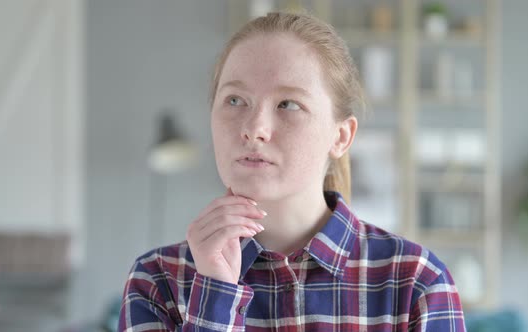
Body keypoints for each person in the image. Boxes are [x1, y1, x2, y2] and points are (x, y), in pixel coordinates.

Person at [119, 11, 465, 332]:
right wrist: (215, 293)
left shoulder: (417, 283)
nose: (254, 128)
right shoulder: (156, 280)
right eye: (235, 100)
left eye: (288, 104)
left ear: (341, 136)